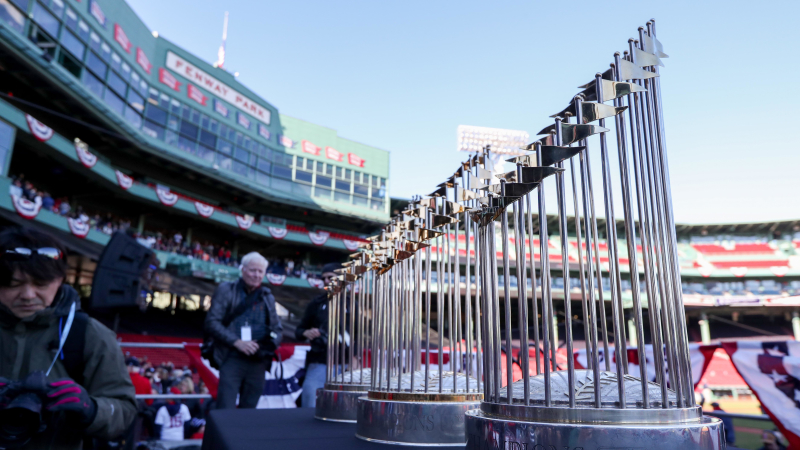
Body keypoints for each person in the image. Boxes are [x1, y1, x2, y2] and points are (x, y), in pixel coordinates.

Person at [0, 227, 136, 449]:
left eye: (41, 284)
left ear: (60, 279)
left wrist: (91, 410)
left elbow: (124, 412)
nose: (27, 295)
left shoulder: (90, 335)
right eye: (13, 285)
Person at [204, 252, 282, 409]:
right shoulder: (226, 290)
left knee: (249, 412)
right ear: (243, 270)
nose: (256, 275)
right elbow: (211, 322)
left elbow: (278, 330)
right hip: (231, 357)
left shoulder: (268, 297)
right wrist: (237, 342)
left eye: (260, 271)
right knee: (225, 408)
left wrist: (264, 346)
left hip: (258, 361)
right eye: (253, 270)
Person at [295, 262, 339, 408]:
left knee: (339, 408)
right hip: (319, 361)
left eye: (330, 277)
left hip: (343, 364)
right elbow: (299, 331)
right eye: (324, 278)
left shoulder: (351, 304)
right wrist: (307, 333)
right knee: (309, 402)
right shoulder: (315, 304)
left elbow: (358, 335)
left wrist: (355, 358)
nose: (326, 281)